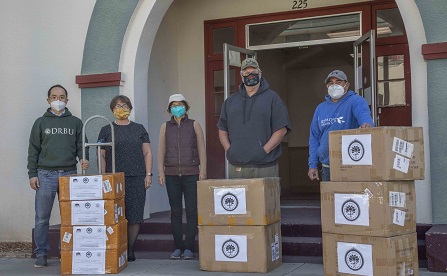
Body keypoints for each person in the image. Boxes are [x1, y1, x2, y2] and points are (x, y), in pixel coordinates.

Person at [28, 84, 89, 268]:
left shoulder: (76, 122)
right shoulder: (40, 122)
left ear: (67, 100)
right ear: (48, 100)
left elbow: (81, 146)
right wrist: (32, 174)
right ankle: (41, 253)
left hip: (69, 174)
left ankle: (66, 251)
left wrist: (83, 160)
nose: (58, 100)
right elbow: (33, 150)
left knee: (69, 218)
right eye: (54, 97)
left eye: (62, 97)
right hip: (45, 174)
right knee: (42, 217)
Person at [97, 95, 153, 262]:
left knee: (135, 215)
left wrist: (148, 175)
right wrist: (103, 176)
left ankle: (130, 249)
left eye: (124, 105)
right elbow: (101, 154)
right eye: (118, 105)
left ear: (130, 108)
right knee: (115, 215)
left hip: (136, 177)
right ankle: (117, 247)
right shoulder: (106, 129)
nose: (121, 108)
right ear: (112, 109)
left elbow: (147, 153)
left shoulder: (139, 129)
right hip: (114, 178)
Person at [217, 58, 291, 178]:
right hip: (237, 167)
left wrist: (264, 151)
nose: (250, 75)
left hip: (265, 166)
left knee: (266, 198)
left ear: (260, 73)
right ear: (241, 75)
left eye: (253, 72)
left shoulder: (273, 98)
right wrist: (229, 150)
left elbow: (281, 129)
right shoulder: (230, 101)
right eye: (246, 73)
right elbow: (222, 129)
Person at [157, 94, 206, 260]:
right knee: (175, 212)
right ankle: (178, 247)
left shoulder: (194, 125)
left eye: (180, 104)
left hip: (191, 173)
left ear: (186, 106)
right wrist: (160, 172)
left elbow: (201, 149)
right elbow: (160, 150)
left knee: (192, 211)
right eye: (174, 105)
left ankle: (189, 248)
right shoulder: (165, 127)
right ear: (169, 108)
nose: (177, 107)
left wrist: (203, 171)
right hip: (171, 175)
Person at [308, 70, 374, 182]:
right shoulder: (320, 108)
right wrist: (312, 164)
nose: (334, 85)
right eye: (330, 83)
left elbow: (363, 115)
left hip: (351, 165)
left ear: (346, 85)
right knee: (331, 199)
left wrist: (366, 124)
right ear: (327, 86)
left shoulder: (355, 101)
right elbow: (314, 138)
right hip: (327, 166)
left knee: (351, 199)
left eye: (338, 82)